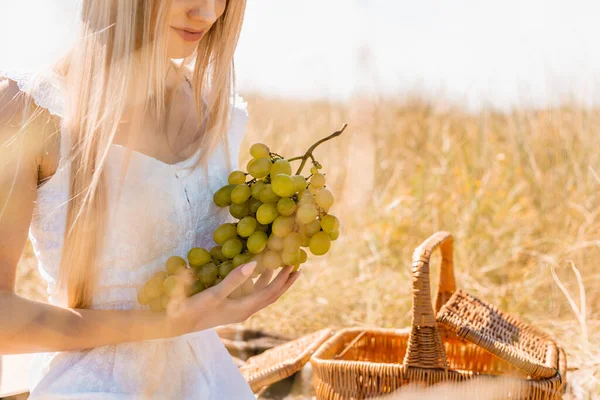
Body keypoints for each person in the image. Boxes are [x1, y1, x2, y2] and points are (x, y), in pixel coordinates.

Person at [0, 1, 300, 398]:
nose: (209, 14)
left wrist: (247, 271)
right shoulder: (28, 108)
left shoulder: (219, 112)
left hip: (213, 384)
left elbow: (203, 268)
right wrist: (163, 323)